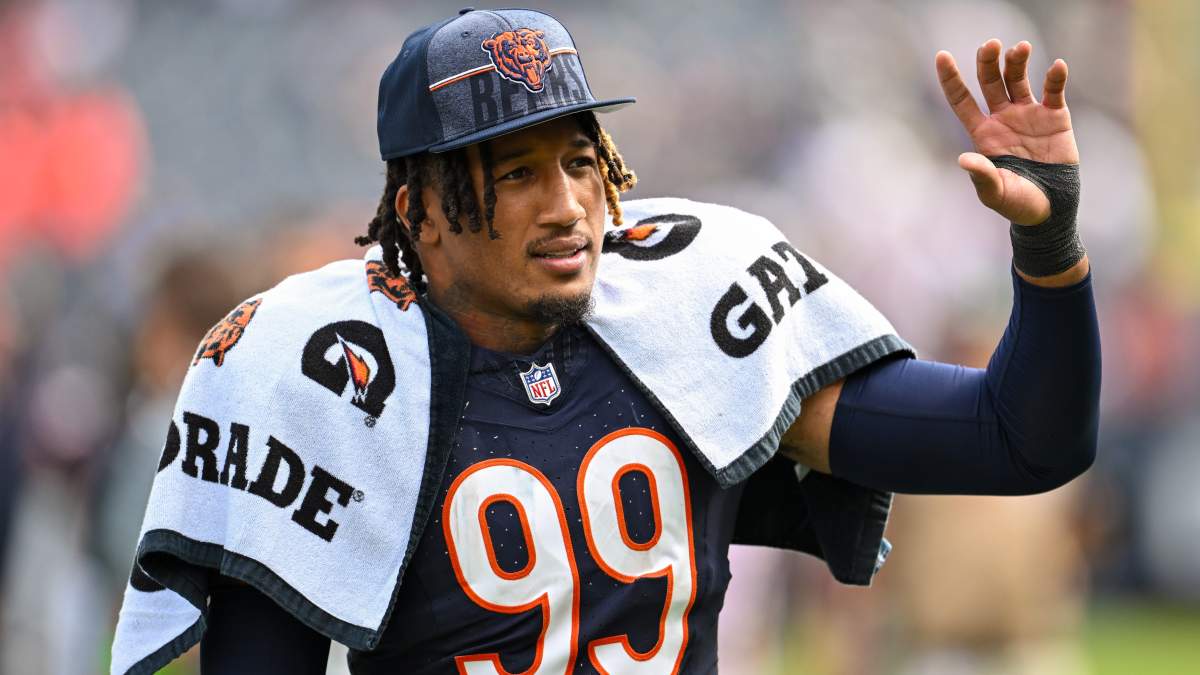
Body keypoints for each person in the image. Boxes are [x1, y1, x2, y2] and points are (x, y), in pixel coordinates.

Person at [111, 8, 1099, 674]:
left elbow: (1021, 441)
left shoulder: (682, 317)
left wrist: (1049, 246)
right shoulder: (323, 376)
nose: (567, 205)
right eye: (515, 174)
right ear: (417, 212)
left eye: (581, 161)